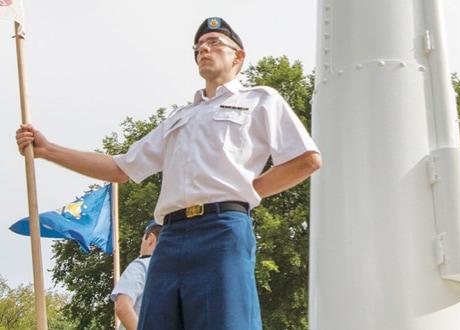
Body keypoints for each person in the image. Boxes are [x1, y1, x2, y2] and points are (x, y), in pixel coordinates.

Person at [15, 17, 321, 329]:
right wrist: (48, 149)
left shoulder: (260, 100)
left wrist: (248, 191)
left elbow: (305, 158)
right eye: (199, 46)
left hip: (222, 230)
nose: (204, 48)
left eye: (214, 42)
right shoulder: (179, 119)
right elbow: (120, 168)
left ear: (238, 56)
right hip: (170, 236)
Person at [111, 220, 162, 330]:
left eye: (142, 241)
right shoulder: (178, 270)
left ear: (150, 239)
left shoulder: (141, 265)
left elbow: (122, 306)